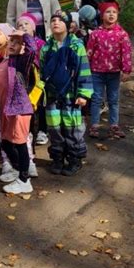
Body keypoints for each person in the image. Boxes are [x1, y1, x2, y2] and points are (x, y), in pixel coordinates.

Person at [40, 10, 93, 176]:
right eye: (53, 20)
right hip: (52, 96)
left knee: (72, 128)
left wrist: (83, 94)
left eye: (60, 20)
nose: (56, 23)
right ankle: (57, 158)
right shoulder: (46, 47)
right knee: (54, 128)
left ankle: (74, 159)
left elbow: (83, 70)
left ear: (69, 26)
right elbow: (42, 72)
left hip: (71, 96)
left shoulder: (77, 46)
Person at [0, 31, 37, 195]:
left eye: (17, 43)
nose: (12, 44)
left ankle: (24, 180)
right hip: (6, 110)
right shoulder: (3, 62)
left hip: (19, 109)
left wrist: (25, 35)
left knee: (19, 144)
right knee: (5, 143)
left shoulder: (21, 62)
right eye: (11, 41)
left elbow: (32, 50)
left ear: (22, 47)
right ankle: (17, 169)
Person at [86, 2, 132, 139]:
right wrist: (85, 69)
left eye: (114, 12)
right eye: (108, 12)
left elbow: (126, 53)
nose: (111, 14)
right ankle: (94, 125)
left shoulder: (122, 34)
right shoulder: (95, 34)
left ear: (117, 15)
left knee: (113, 100)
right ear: (101, 15)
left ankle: (114, 126)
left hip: (114, 73)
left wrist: (126, 70)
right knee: (96, 99)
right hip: (96, 72)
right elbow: (89, 52)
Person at [16, 12, 48, 146]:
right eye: (20, 25)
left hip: (37, 78)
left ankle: (42, 130)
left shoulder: (40, 43)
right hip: (22, 79)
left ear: (34, 28)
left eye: (26, 24)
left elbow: (44, 60)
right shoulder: (16, 43)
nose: (23, 26)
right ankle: (26, 131)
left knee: (39, 105)